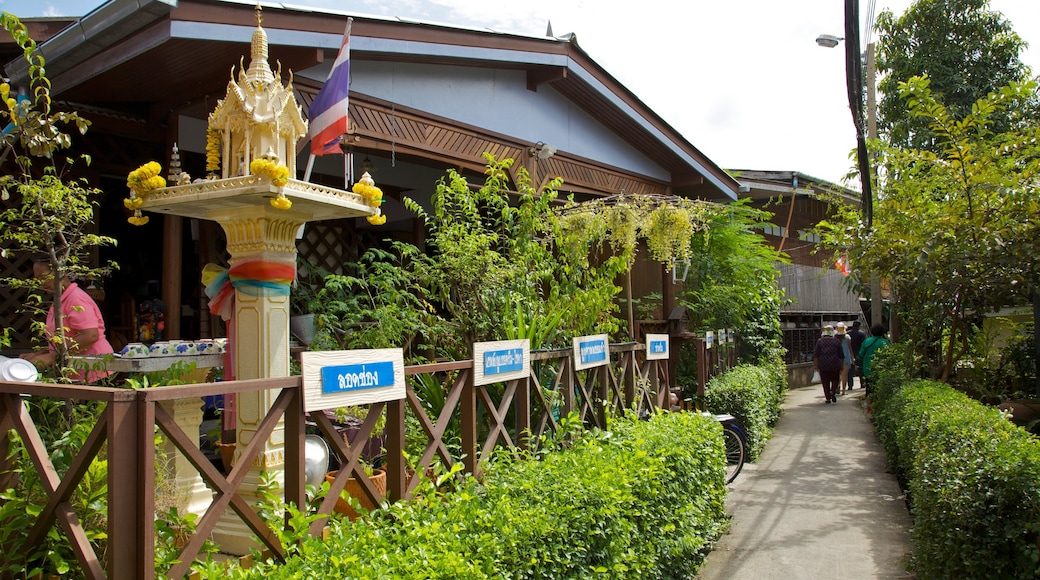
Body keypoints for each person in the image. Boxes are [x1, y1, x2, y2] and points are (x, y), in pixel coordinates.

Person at [19, 259, 113, 383]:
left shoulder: (75, 298)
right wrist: (39, 354)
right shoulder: (60, 300)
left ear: (60, 272)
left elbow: (90, 335)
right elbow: (64, 338)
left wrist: (51, 357)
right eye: (38, 279)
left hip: (95, 370)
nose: (41, 283)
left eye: (44, 277)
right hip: (77, 371)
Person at [813, 324, 844, 404]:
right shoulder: (836, 341)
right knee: (835, 379)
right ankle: (832, 391)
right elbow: (841, 355)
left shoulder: (820, 341)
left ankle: (827, 398)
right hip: (835, 364)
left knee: (825, 382)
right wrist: (842, 366)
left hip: (823, 365)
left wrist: (816, 365)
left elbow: (816, 355)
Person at [858, 324, 891, 397]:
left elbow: (860, 354)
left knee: (869, 390)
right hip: (881, 369)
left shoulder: (867, 341)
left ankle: (869, 407)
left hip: (868, 369)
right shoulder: (885, 342)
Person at [848, 320, 867, 389]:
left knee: (850, 370)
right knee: (861, 369)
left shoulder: (848, 334)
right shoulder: (862, 334)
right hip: (859, 353)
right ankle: (862, 384)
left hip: (850, 353)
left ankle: (850, 385)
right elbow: (864, 344)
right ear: (859, 326)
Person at [836, 322, 853, 395]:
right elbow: (850, 348)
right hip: (846, 358)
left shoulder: (834, 337)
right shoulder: (847, 337)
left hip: (836, 358)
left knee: (837, 375)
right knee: (844, 376)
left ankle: (837, 387)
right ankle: (843, 391)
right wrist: (852, 357)